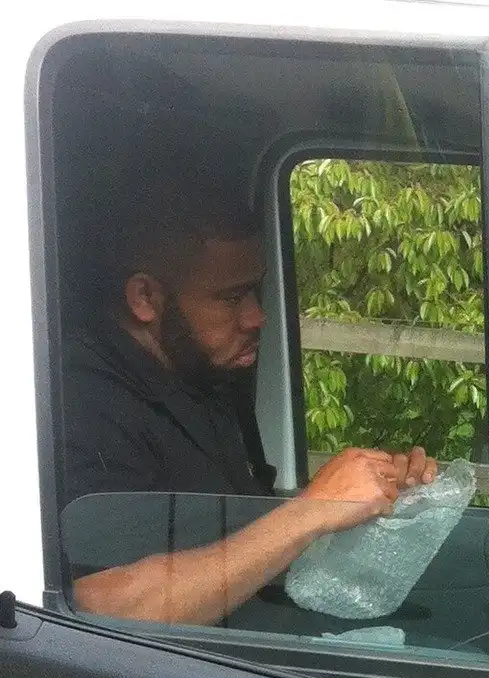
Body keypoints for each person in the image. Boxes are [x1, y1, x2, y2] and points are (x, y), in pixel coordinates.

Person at [61, 173, 436, 626]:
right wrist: (313, 509)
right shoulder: (81, 409)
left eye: (254, 290)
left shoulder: (198, 375)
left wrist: (367, 495)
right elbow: (103, 609)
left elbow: (238, 545)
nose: (257, 316)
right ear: (145, 298)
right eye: (231, 297)